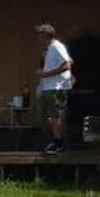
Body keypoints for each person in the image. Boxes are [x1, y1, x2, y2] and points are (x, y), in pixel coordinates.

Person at [35, 23, 73, 153]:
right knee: (48, 116)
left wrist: (46, 74)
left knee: (56, 116)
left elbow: (67, 64)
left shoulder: (57, 46)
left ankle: (60, 143)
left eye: (39, 35)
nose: (37, 38)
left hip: (57, 87)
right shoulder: (49, 49)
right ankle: (55, 140)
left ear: (46, 35)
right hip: (48, 87)